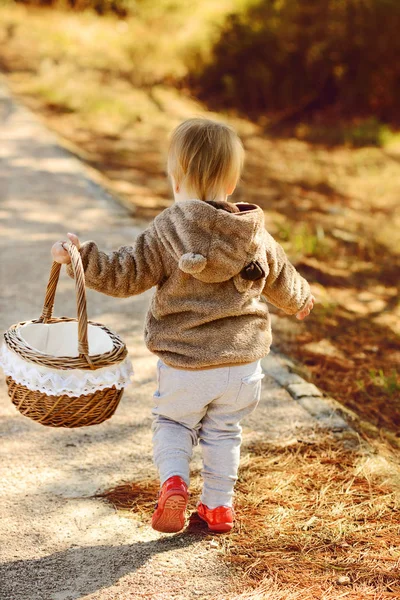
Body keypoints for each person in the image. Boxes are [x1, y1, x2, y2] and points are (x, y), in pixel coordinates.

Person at [51, 118, 314, 534]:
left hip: (185, 363)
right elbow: (282, 276)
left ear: (177, 180)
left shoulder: (169, 228)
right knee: (225, 430)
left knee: (174, 423)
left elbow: (126, 273)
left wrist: (80, 257)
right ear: (231, 183)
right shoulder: (253, 231)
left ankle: (174, 482)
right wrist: (300, 300)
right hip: (243, 365)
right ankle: (218, 507)